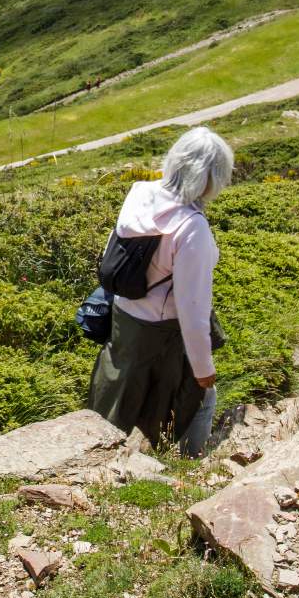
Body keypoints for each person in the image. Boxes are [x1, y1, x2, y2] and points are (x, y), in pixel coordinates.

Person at [88, 126, 233, 449]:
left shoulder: (142, 193)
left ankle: (100, 453)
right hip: (161, 334)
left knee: (118, 400)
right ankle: (192, 463)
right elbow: (192, 309)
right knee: (201, 397)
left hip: (123, 320)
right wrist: (203, 368)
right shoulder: (191, 227)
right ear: (212, 176)